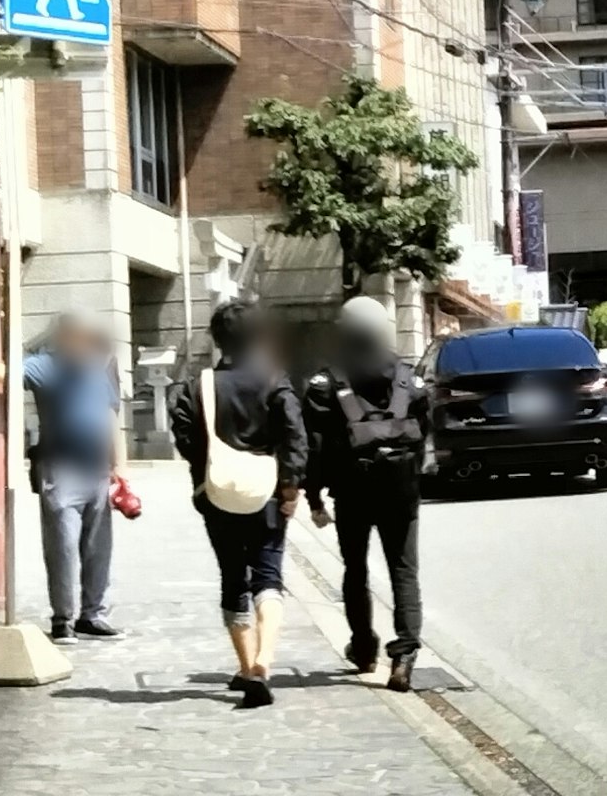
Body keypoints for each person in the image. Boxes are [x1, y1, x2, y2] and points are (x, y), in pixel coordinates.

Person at [168, 301, 310, 707]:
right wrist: (290, 487)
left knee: (233, 576)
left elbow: (184, 435)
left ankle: (247, 667)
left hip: (217, 493)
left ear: (218, 340)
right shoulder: (274, 379)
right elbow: (294, 435)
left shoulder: (201, 385)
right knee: (268, 574)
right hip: (266, 492)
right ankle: (265, 662)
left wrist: (204, 473)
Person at [301, 295, 428, 688]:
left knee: (355, 569)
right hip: (401, 488)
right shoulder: (409, 378)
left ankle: (364, 646)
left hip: (352, 488)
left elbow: (315, 448)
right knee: (404, 570)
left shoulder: (326, 382)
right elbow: (425, 437)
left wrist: (314, 497)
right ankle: (404, 654)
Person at [19, 314, 124, 640]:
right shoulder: (44, 366)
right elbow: (7, 375)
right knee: (63, 548)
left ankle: (93, 615)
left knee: (99, 548)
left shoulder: (96, 369)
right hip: (60, 469)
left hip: (97, 470)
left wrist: (120, 468)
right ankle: (63, 619)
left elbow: (110, 418)